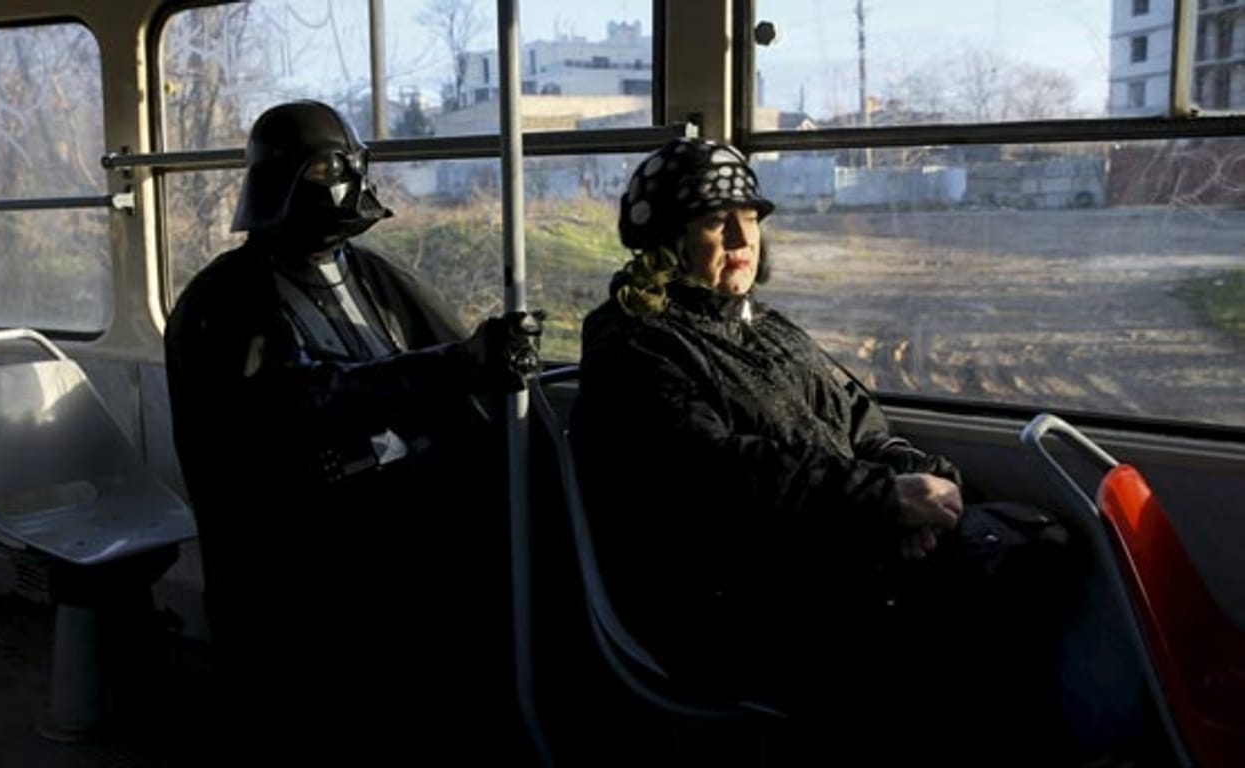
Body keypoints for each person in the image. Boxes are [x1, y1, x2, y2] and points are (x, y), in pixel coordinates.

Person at [569, 137, 1089, 764]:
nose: (742, 238)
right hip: (732, 595)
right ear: (665, 243)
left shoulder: (765, 327)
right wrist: (884, 505)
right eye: (715, 221)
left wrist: (914, 479)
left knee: (1038, 545)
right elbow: (719, 477)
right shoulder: (636, 350)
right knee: (977, 599)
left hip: (827, 545)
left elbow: (862, 423)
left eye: (751, 219)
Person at [164, 100, 541, 753]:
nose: (343, 185)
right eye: (324, 171)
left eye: (348, 167)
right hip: (299, 534)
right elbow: (294, 398)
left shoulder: (374, 278)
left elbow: (432, 365)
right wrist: (453, 365)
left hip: (399, 501)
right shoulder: (221, 303)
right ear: (281, 182)